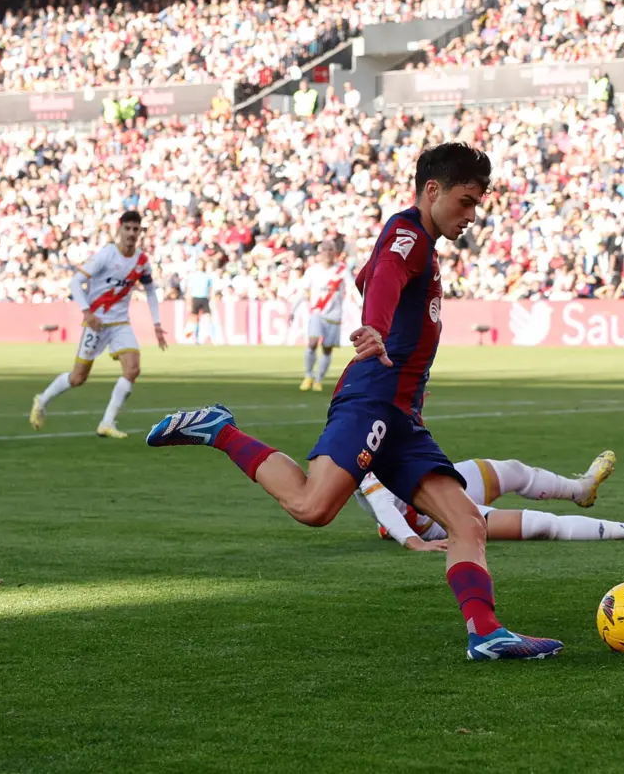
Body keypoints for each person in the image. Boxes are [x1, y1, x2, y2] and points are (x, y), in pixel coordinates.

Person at [146, 143, 564, 661]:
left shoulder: (421, 246)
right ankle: (220, 429)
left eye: (478, 204)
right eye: (465, 201)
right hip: (372, 402)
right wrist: (377, 328)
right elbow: (385, 274)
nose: (471, 216)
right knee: (312, 507)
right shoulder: (408, 232)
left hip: (401, 417)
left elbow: (372, 275)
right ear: (432, 191)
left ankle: (488, 634)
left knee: (467, 522)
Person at [30, 211, 168, 438]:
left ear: (140, 232)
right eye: (128, 228)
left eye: (136, 229)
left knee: (133, 368)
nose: (132, 233)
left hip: (121, 323)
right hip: (97, 323)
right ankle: (42, 400)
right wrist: (87, 312)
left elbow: (151, 291)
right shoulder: (106, 255)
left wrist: (156, 323)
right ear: (120, 229)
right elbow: (76, 282)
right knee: (78, 378)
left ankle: (107, 422)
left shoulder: (142, 261)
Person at [356, 451, 624, 549]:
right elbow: (383, 503)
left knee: (514, 471)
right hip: (433, 514)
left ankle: (581, 489)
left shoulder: (391, 405)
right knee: (541, 525)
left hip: (442, 478)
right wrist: (414, 542)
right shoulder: (361, 446)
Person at [299, 240, 351, 391]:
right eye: (325, 250)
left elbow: (352, 286)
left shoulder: (341, 270)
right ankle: (308, 375)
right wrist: (296, 307)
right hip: (317, 313)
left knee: (327, 348)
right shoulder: (312, 271)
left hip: (334, 315)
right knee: (312, 342)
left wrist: (362, 303)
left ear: (335, 252)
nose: (327, 253)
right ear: (320, 253)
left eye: (330, 250)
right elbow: (304, 289)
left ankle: (318, 379)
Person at [184, 259, 215, 345]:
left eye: (201, 264)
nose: (200, 265)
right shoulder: (193, 276)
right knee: (195, 319)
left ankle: (213, 338)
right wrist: (188, 303)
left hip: (204, 298)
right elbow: (189, 290)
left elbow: (210, 289)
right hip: (196, 298)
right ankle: (196, 339)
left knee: (209, 318)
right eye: (198, 264)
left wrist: (211, 299)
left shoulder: (207, 276)